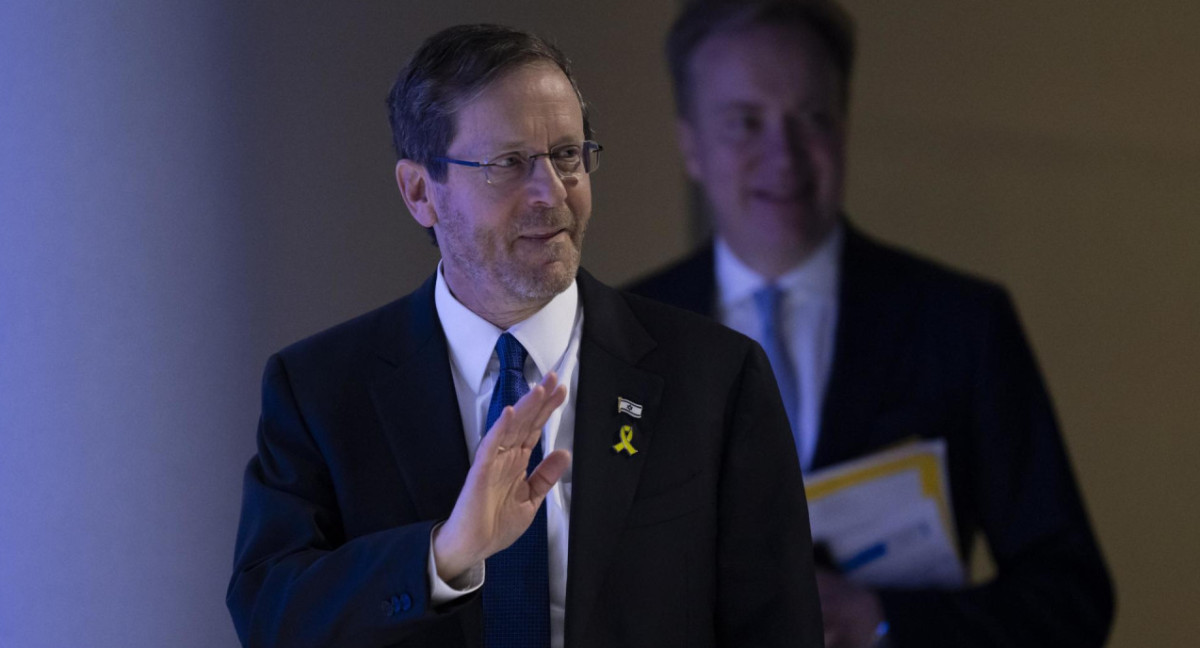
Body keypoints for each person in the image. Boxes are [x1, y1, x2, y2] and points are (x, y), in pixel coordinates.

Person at [226, 23, 823, 648]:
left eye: (567, 155)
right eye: (509, 164)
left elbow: (779, 628)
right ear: (420, 191)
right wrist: (445, 555)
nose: (552, 192)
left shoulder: (716, 378)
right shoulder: (321, 389)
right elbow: (272, 617)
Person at [627, 1, 1115, 647]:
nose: (785, 157)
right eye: (746, 122)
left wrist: (883, 620)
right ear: (690, 144)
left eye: (812, 119)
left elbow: (1072, 598)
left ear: (845, 125)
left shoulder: (961, 324)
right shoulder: (618, 338)